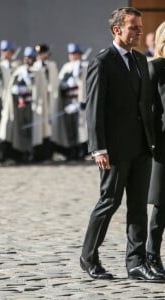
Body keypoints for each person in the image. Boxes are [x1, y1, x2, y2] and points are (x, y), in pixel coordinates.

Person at [80, 7, 164, 281]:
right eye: (133, 27)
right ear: (117, 30)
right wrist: (99, 148)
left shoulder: (141, 60)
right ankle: (88, 257)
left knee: (138, 205)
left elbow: (146, 105)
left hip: (142, 146)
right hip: (115, 150)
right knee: (109, 201)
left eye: (140, 27)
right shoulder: (102, 62)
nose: (139, 31)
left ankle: (136, 263)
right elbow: (93, 108)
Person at [0, 46, 50, 163]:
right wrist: (17, 89)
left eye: (30, 58)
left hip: (32, 106)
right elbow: (12, 87)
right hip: (20, 105)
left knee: (32, 131)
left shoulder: (38, 73)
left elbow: (40, 90)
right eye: (26, 58)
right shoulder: (19, 71)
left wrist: (29, 85)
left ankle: (31, 152)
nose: (28, 60)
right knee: (20, 131)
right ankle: (21, 153)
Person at [146, 21, 165, 276]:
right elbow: (147, 110)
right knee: (162, 204)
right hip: (163, 144)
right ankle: (152, 255)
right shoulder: (156, 67)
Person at [52, 43, 88, 161]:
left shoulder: (85, 66)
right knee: (70, 127)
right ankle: (72, 149)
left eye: (75, 53)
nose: (72, 56)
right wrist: (66, 84)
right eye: (71, 54)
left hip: (79, 101)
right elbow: (60, 84)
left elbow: (86, 85)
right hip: (68, 101)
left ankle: (82, 150)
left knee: (82, 127)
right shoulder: (66, 67)